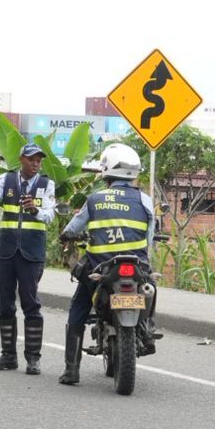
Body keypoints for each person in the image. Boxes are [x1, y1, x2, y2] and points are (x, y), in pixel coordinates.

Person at [57, 143, 155, 386]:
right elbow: (150, 238)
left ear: (107, 171)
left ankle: (71, 370)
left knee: (78, 310)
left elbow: (73, 228)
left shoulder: (94, 199)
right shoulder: (145, 200)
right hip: (137, 268)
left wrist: (66, 236)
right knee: (151, 289)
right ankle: (148, 328)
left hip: (100, 269)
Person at [0, 144, 56, 375]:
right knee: (4, 303)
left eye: (39, 160)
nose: (35, 163)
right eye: (31, 159)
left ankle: (33, 359)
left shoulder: (47, 185)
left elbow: (50, 215)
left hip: (31, 254)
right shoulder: (5, 181)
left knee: (30, 304)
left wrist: (36, 210)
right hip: (6, 252)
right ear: (21, 159)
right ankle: (8, 356)